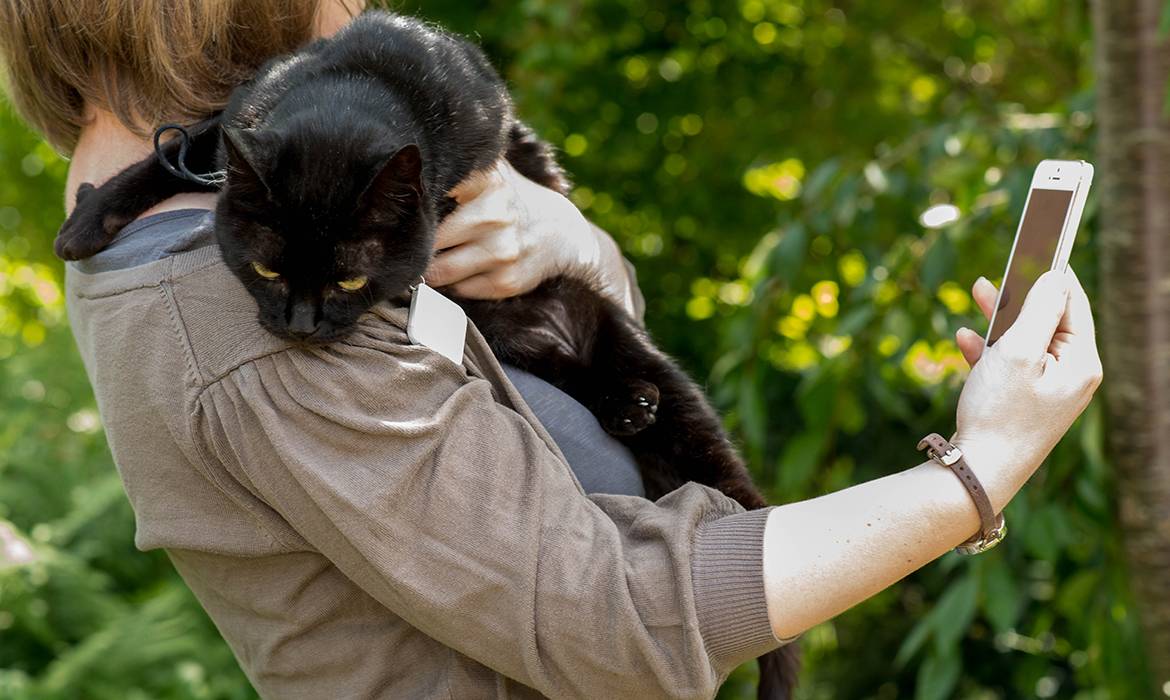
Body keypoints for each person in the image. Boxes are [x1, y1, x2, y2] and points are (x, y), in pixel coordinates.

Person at [0, 1, 1103, 698]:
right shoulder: (256, 288)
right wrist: (977, 469)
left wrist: (566, 237)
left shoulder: (246, 186)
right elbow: (622, 617)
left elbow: (561, 379)